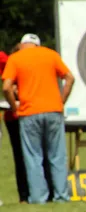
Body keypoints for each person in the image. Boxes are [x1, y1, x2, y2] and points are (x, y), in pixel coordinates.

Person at [2, 34, 75, 204]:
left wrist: (15, 107)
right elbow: (70, 78)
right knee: (57, 155)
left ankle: (38, 198)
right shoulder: (51, 54)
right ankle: (62, 196)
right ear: (37, 45)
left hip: (29, 113)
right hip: (53, 110)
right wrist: (61, 100)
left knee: (33, 157)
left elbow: (6, 86)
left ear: (22, 44)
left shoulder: (15, 58)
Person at [1, 43, 54, 203]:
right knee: (22, 156)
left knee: (40, 156)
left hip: (32, 113)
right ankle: (25, 196)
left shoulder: (11, 60)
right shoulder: (11, 60)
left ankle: (46, 193)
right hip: (16, 116)